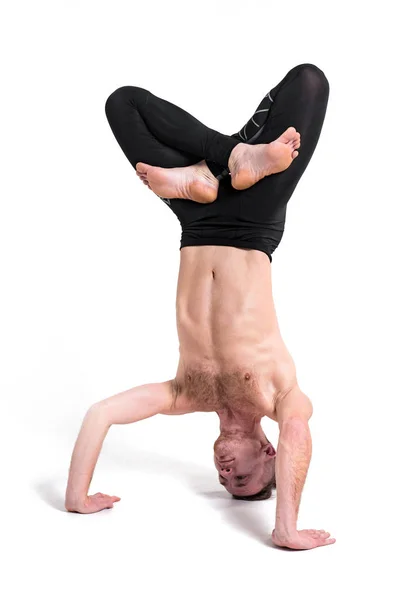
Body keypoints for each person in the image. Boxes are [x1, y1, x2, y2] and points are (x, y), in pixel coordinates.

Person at [65, 63, 335, 551]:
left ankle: (217, 166)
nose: (226, 476)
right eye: (243, 481)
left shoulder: (184, 394)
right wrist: (286, 527)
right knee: (310, 80)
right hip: (254, 222)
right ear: (267, 450)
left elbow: (100, 413)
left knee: (122, 101)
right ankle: (238, 157)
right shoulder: (282, 398)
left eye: (224, 484)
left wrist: (76, 497)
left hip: (197, 212)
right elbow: (299, 431)